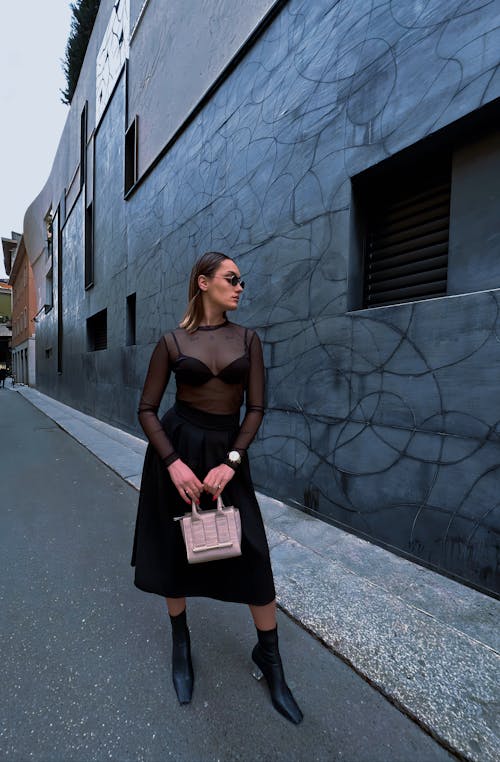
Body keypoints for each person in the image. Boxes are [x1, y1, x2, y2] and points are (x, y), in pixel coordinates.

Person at [131, 251, 303, 724]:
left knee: (253, 553)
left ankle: (269, 658)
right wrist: (173, 464)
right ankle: (181, 643)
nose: (240, 286)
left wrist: (233, 460)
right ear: (203, 282)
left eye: (241, 280)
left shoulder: (248, 339)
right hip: (178, 451)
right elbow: (146, 408)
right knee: (174, 550)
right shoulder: (172, 341)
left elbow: (256, 409)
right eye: (232, 279)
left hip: (227, 456)